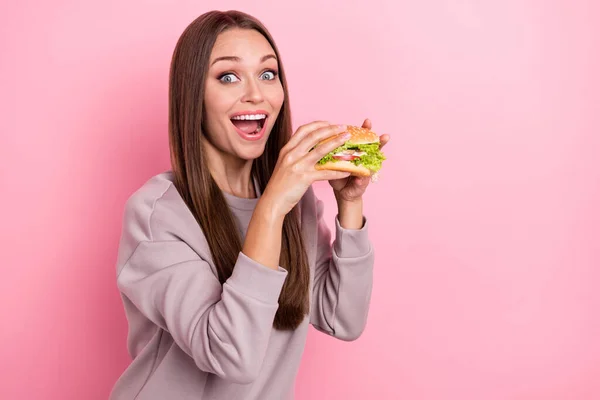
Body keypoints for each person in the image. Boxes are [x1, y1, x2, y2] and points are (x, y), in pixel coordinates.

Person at [109, 9, 389, 400]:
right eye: (228, 76)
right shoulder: (156, 215)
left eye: (268, 74)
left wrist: (349, 205)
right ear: (194, 95)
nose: (256, 94)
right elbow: (232, 355)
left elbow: (342, 317)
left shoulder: (295, 200)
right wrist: (273, 206)